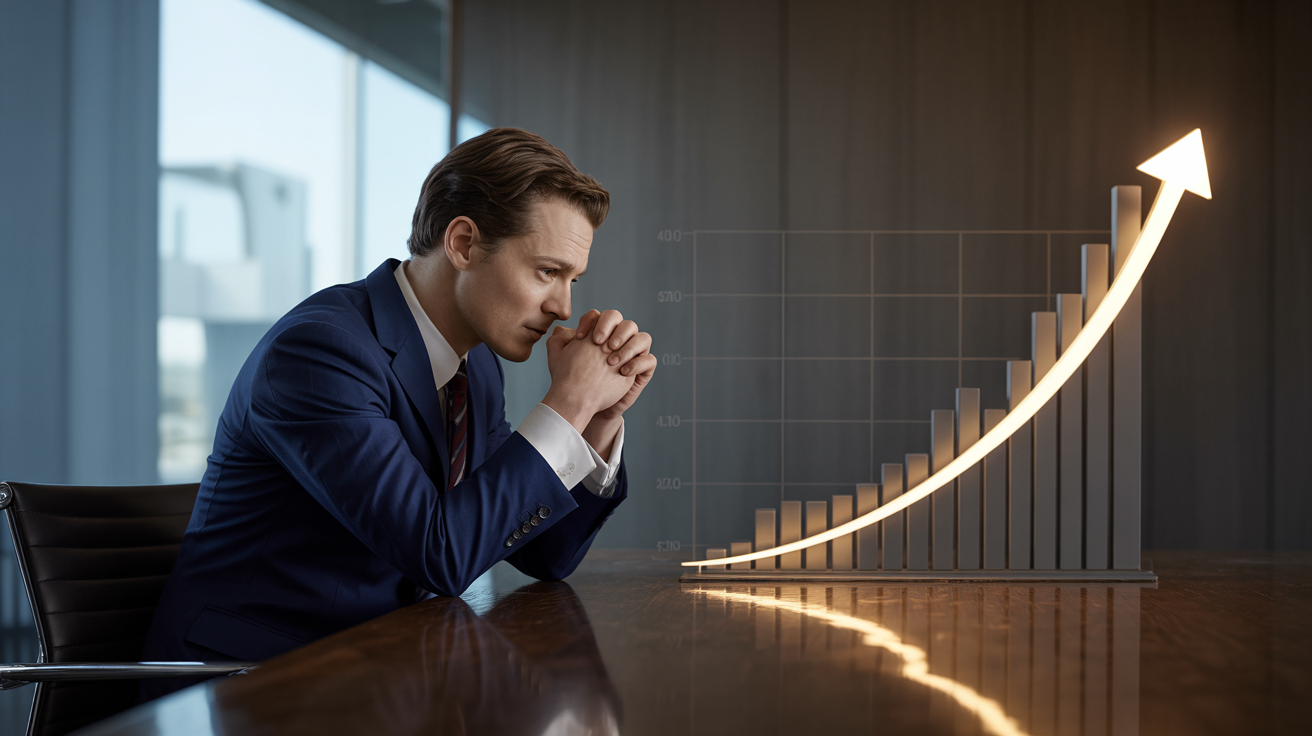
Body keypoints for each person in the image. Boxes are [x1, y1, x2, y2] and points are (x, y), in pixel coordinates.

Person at [139, 128, 655, 700]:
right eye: (546, 272)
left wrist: (596, 420)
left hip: (380, 674)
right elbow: (440, 552)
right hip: (245, 687)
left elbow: (542, 552)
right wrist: (569, 403)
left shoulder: (478, 368)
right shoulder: (320, 352)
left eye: (572, 280)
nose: (563, 306)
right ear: (463, 243)